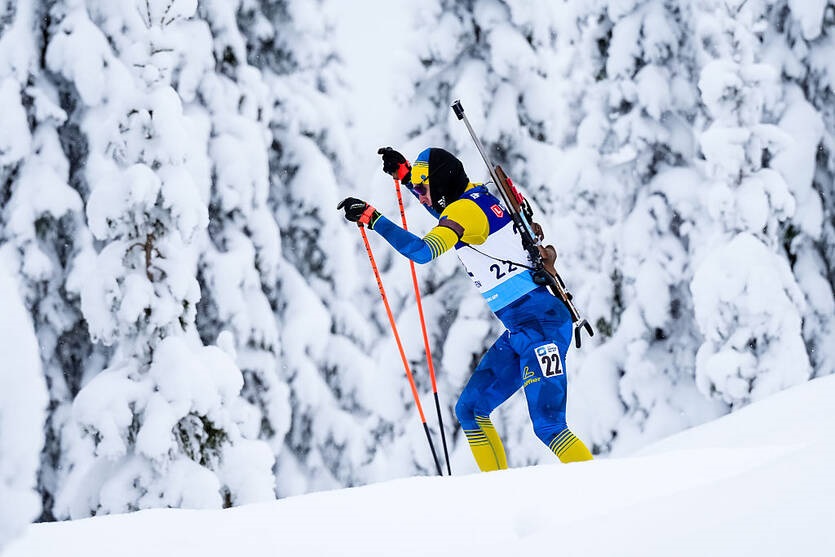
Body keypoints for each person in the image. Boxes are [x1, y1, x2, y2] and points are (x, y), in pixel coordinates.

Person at [337, 147, 593, 471]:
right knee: (470, 410)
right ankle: (498, 491)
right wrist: (406, 176)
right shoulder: (473, 198)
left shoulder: (464, 212)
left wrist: (375, 220)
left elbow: (423, 251)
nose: (422, 197)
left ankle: (603, 490)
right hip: (525, 328)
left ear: (441, 184)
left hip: (542, 327)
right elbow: (443, 208)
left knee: (549, 426)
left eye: (424, 189)